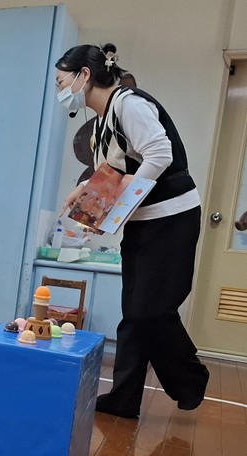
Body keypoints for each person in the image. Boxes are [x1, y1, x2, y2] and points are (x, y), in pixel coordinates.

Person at [56, 43, 209, 418]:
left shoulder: (129, 104)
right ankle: (124, 399)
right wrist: (86, 193)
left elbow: (160, 154)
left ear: (84, 75)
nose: (59, 91)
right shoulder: (103, 121)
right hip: (143, 223)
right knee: (132, 315)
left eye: (61, 82)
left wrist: (119, 206)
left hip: (172, 217)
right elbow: (116, 170)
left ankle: (190, 377)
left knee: (150, 311)